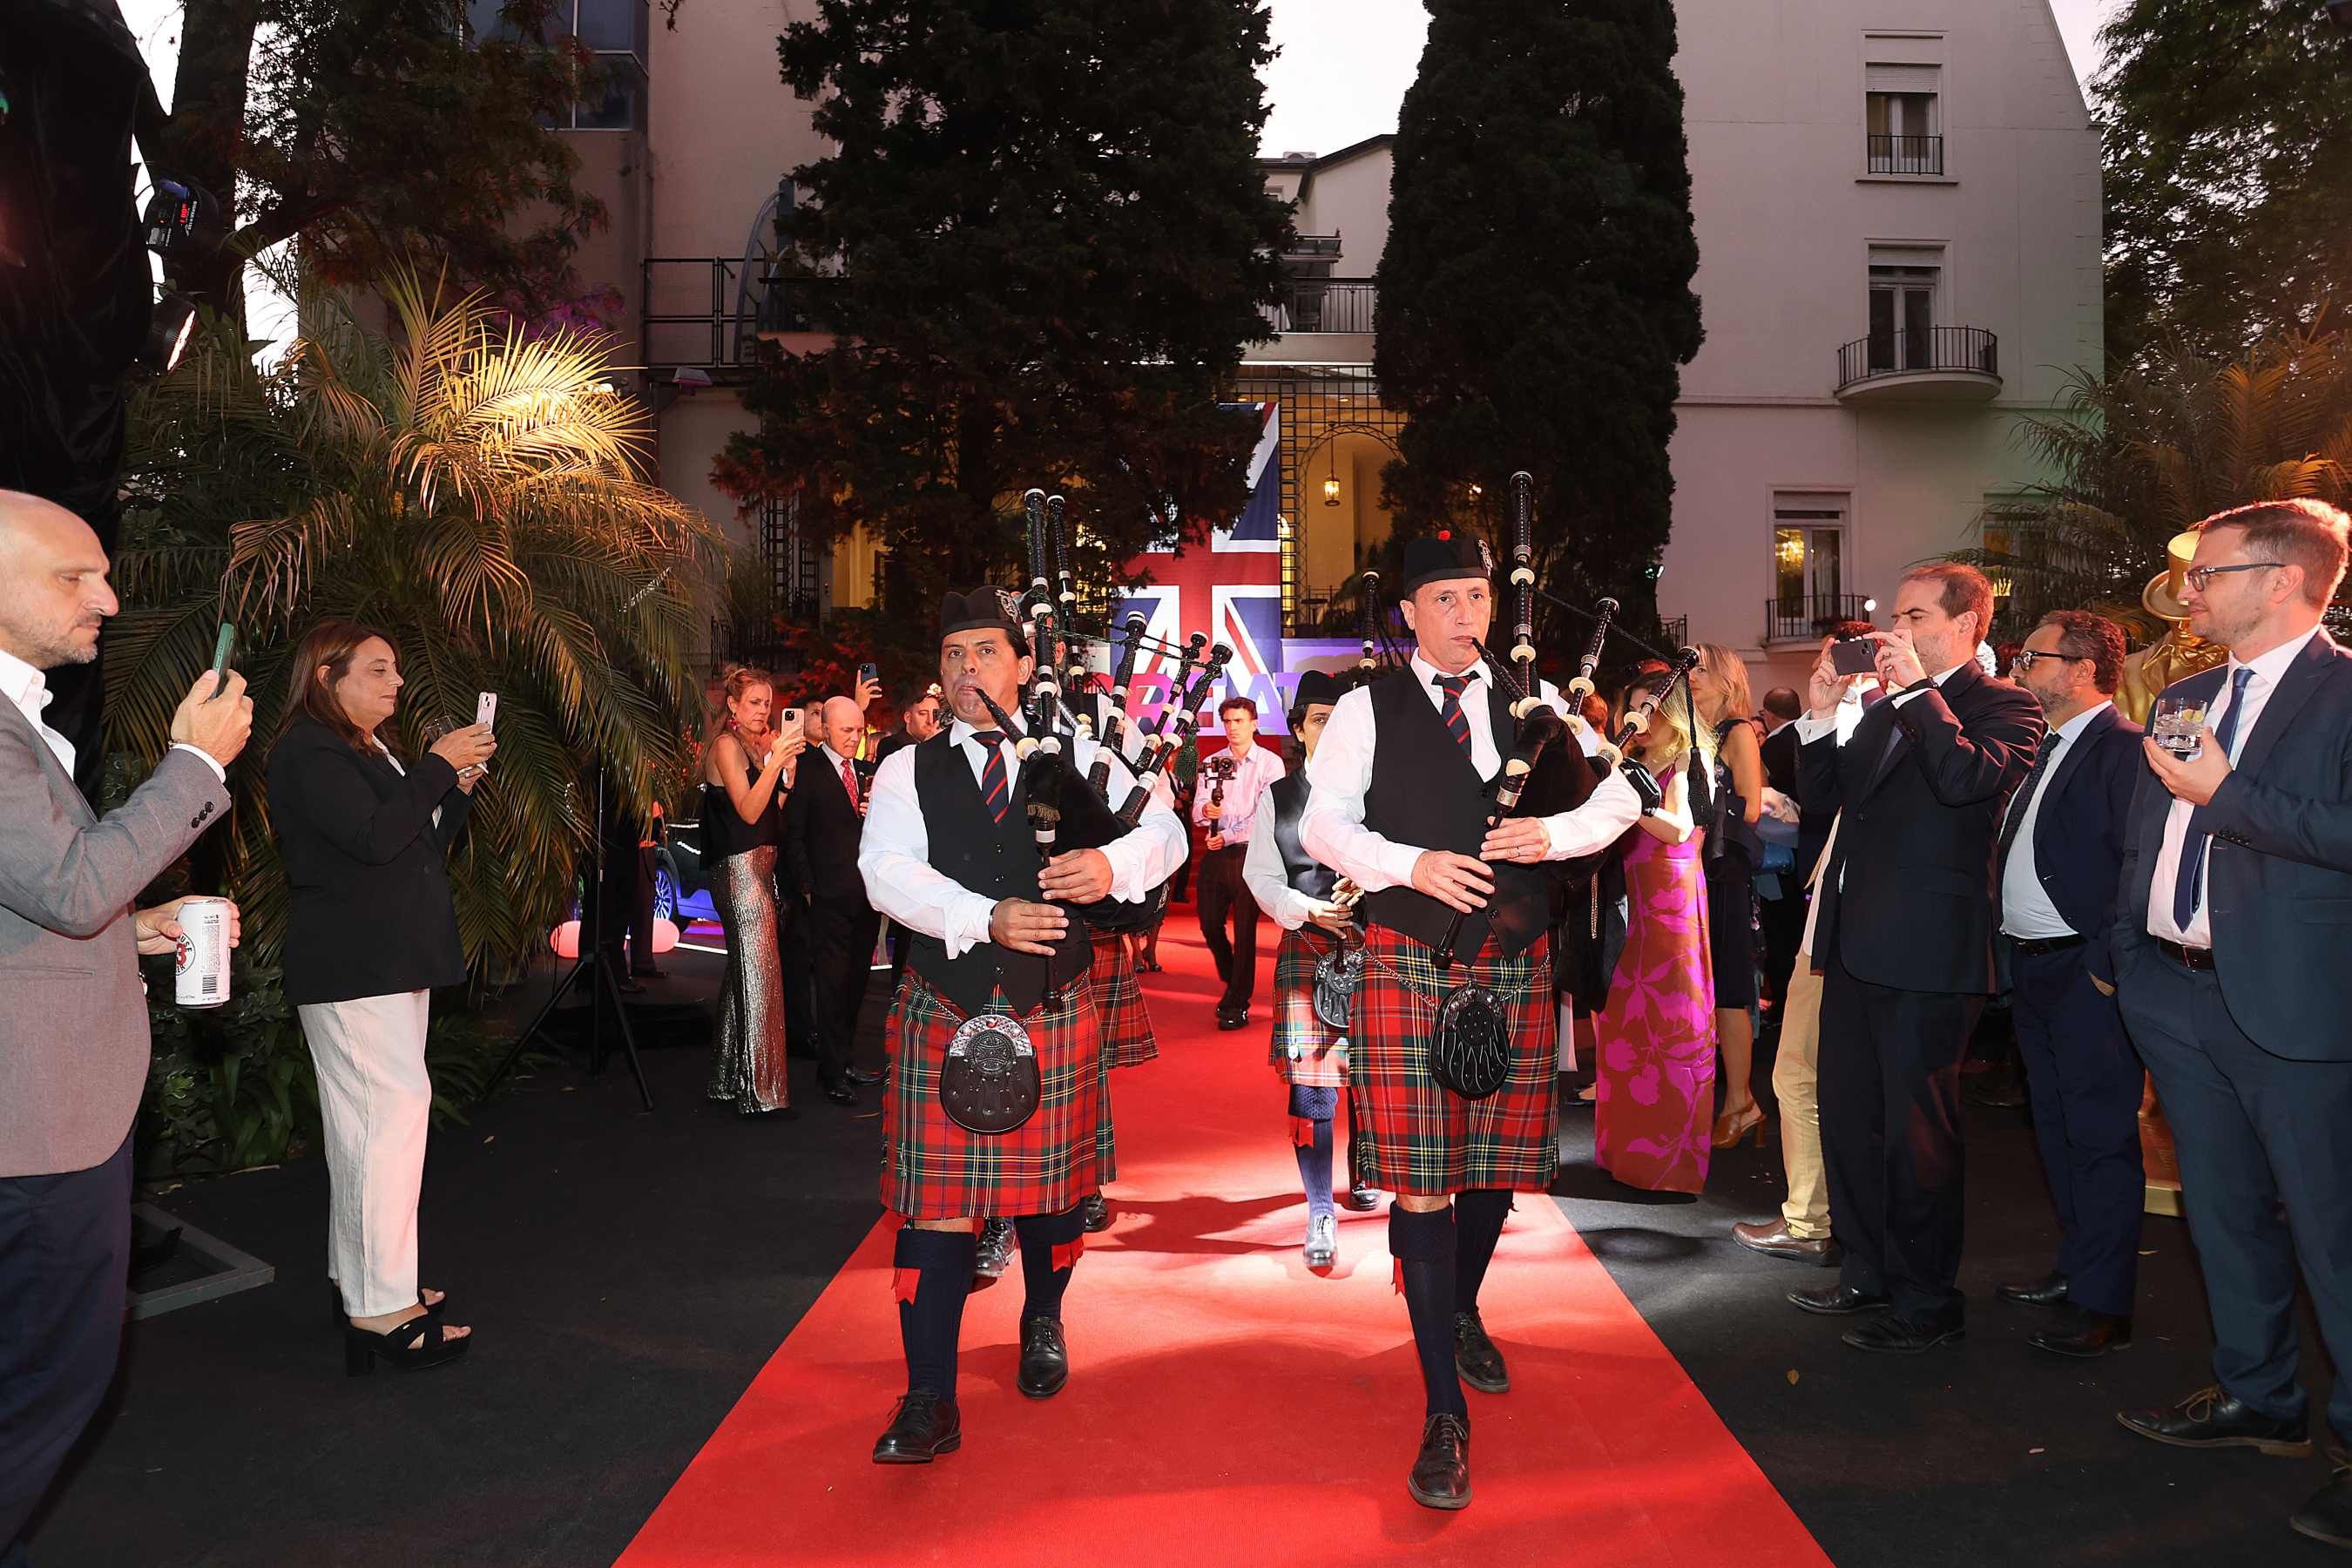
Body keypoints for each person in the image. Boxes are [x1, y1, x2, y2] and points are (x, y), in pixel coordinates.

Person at [1301, 532, 1644, 1511]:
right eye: (1444, 598)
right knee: (1420, 1183)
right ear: (1407, 612)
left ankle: (1455, 1310)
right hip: (1408, 962)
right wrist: (1407, 865)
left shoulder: (1536, 710)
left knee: (1492, 1170)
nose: (1465, 615)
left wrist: (1554, 833)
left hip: (1517, 963)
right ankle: (1442, 1411)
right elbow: (1322, 824)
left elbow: (1629, 799)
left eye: (1477, 598)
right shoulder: (1366, 708)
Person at [855, 587, 1186, 1463]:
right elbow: (884, 872)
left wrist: (1110, 861)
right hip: (947, 1001)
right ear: (940, 672)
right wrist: (980, 915)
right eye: (956, 655)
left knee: (1051, 1199)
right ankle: (928, 1398)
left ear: (1024, 665)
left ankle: (1044, 1317)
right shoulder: (906, 769)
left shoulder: (1083, 754)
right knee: (930, 1213)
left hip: (1056, 1002)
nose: (971, 670)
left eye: (988, 653)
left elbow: (1169, 834)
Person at [0, 492, 252, 1566]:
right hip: (38, 1130)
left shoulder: (19, 719)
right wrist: (195, 766)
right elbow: (65, 883)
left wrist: (134, 929)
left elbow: (44, 903)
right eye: (74, 576)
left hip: (43, 1112)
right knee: (51, 1376)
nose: (107, 597)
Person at [2105, 500, 2352, 1550]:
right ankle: (2261, 1398)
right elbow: (2149, 831)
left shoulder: (2346, 692)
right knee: (2223, 1215)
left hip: (2295, 1007)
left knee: (2336, 1237)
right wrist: (2127, 950)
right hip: (2174, 994)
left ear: (2287, 579)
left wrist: (2233, 793)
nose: (2191, 591)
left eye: (2210, 572)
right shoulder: (2191, 690)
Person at [1788, 564, 2041, 1354]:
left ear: (1967, 625)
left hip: (1932, 956)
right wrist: (1823, 717)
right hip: (1855, 945)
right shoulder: (1886, 706)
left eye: (1915, 616)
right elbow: (1826, 799)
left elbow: (1967, 780)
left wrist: (1910, 696)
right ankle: (1864, 1269)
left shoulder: (2006, 705)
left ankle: (1929, 1297)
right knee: (1853, 1117)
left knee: (1918, 1132)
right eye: (1895, 614)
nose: (1895, 631)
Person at [267, 619, 497, 1374]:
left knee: (367, 1127)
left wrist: (451, 788)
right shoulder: (310, 750)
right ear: (327, 678)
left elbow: (413, 840)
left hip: (384, 962)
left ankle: (365, 1283)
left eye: (397, 669)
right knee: (385, 1125)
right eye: (379, 669)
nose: (398, 682)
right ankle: (380, 1310)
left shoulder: (365, 750)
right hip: (356, 965)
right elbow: (369, 839)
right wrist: (434, 767)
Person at [1995, 610, 2144, 1359]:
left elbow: (2136, 866)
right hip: (2031, 966)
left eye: (2034, 658)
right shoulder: (2044, 747)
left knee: (2098, 1135)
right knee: (2054, 1128)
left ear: (2082, 669)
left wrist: (2106, 967)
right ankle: (2078, 1265)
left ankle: (2105, 1302)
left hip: (2084, 971)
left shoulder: (2123, 749)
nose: (2021, 670)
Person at [1243, 670, 1370, 1267]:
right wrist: (1305, 908)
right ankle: (1321, 1208)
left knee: (1375, 1078)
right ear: (1299, 728)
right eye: (1320, 718)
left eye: (1340, 718)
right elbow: (1260, 877)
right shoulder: (1279, 796)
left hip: (1379, 950)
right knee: (1315, 1095)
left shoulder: (1380, 790)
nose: (1332, 729)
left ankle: (1366, 1160)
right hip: (1308, 951)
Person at [1590, 669, 1716, 1193]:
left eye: (1652, 705)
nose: (1640, 716)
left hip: (1673, 908)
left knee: (1674, 1029)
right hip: (1630, 905)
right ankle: (1624, 1154)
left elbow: (1680, 828)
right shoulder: (1634, 763)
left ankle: (1668, 1165)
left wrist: (1627, 802)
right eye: (1634, 705)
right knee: (1627, 1027)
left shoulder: (1689, 760)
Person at [701, 666, 801, 1116]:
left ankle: (726, 1079)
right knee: (762, 977)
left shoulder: (761, 746)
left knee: (745, 971)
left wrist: (786, 780)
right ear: (734, 707)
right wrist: (776, 765)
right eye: (755, 703)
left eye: (768, 702)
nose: (764, 711)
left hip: (764, 868)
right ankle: (763, 1093)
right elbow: (746, 811)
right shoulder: (725, 746)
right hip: (738, 871)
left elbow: (769, 815)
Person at [784, 694, 883, 1105]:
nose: (853, 739)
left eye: (858, 731)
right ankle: (831, 1071)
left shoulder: (863, 772)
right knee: (830, 985)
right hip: (827, 896)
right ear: (825, 729)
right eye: (846, 731)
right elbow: (794, 833)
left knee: (856, 984)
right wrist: (808, 887)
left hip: (865, 897)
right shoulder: (806, 769)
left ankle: (844, 1061)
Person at [1692, 643, 1767, 1146]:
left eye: (1701, 668)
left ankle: (1741, 1101)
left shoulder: (1737, 732)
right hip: (1685, 874)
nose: (1692, 676)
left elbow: (1753, 807)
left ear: (1726, 678)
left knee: (1729, 994)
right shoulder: (1684, 731)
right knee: (1697, 995)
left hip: (1723, 873)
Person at [1193, 696, 1286, 1030]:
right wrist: (1206, 812)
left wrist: (1228, 835)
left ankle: (1237, 1002)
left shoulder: (1270, 764)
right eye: (1228, 721)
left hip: (1251, 853)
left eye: (1239, 721)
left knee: (1246, 932)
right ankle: (1235, 978)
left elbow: (1266, 815)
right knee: (1209, 924)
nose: (1233, 727)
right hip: (1217, 855)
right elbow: (1197, 808)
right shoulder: (1213, 761)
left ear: (1254, 723)